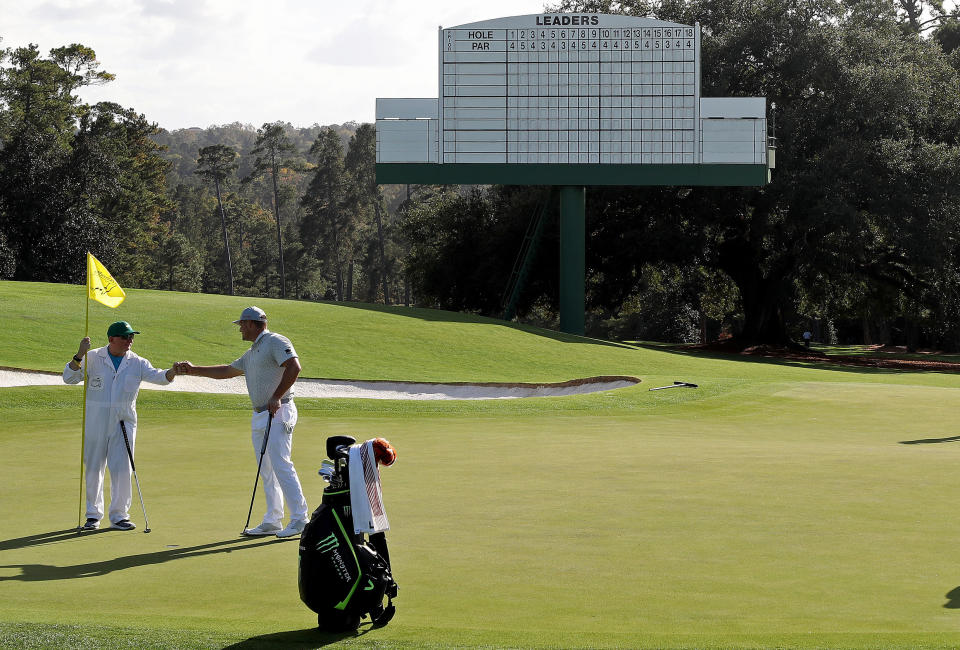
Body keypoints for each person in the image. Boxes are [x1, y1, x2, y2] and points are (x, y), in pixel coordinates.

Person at [176, 306, 308, 538]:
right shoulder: (253, 352)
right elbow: (227, 370)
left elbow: (294, 367)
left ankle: (299, 518)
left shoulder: (275, 341)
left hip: (279, 410)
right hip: (260, 414)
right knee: (266, 469)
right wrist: (194, 370)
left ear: (253, 324)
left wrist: (276, 396)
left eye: (242, 325)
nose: (240, 330)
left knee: (281, 464)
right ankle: (273, 520)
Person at [63, 321, 179, 531]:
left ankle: (119, 516)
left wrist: (173, 371)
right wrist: (79, 354)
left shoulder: (137, 362)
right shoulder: (93, 357)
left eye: (131, 337)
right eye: (125, 337)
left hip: (123, 423)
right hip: (95, 422)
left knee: (122, 470)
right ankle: (92, 516)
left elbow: (160, 377)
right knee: (93, 469)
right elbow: (69, 378)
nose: (130, 341)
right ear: (111, 339)